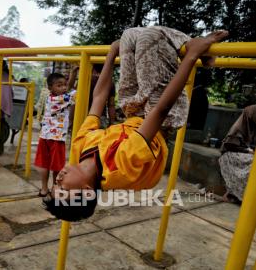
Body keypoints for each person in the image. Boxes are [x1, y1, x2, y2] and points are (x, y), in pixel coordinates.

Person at [42, 27, 228, 221]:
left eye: (55, 184)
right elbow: (160, 110)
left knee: (128, 37)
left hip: (133, 113)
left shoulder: (79, 150)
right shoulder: (119, 168)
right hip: (163, 119)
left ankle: (194, 48)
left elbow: (98, 98)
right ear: (87, 191)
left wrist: (112, 54)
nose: (58, 179)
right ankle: (195, 45)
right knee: (150, 37)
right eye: (63, 188)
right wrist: (191, 56)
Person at [35, 72, 76, 197]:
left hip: (45, 136)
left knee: (44, 163)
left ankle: (43, 189)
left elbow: (68, 89)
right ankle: (54, 188)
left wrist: (73, 73)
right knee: (57, 166)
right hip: (56, 138)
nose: (63, 87)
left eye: (64, 85)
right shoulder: (61, 99)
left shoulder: (50, 97)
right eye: (59, 85)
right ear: (51, 88)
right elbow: (74, 93)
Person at [219, 105, 256, 202]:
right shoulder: (239, 128)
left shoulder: (252, 128)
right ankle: (236, 194)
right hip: (230, 155)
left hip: (244, 154)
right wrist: (248, 151)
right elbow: (229, 145)